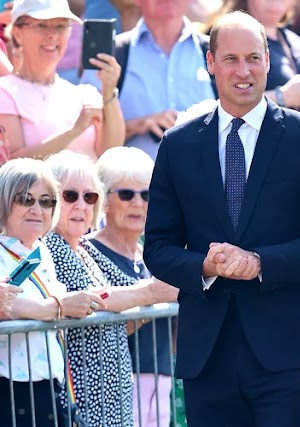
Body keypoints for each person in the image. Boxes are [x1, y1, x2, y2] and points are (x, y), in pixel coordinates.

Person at [143, 10, 300, 427]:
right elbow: (158, 247)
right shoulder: (178, 145)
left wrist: (259, 263)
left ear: (268, 60)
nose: (243, 71)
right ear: (210, 63)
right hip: (207, 356)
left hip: (287, 356)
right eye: (230, 59)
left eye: (253, 58)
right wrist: (204, 265)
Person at [43, 151, 177, 426]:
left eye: (89, 197)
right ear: (50, 200)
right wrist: (152, 293)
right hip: (84, 389)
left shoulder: (80, 249)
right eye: (71, 196)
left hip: (112, 387)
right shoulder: (52, 245)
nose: (82, 205)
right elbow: (89, 300)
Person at [0, 158, 106, 427]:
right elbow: (6, 305)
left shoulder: (42, 252)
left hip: (51, 379)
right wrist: (56, 307)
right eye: (26, 199)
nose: (37, 209)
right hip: (10, 385)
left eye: (46, 201)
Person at [91, 146, 178, 427]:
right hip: (114, 383)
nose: (138, 203)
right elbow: (94, 328)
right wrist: (151, 296)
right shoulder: (88, 251)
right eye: (126, 194)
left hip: (162, 377)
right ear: (104, 199)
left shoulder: (155, 255)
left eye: (147, 195)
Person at [81, 0, 215, 160]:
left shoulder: (218, 54)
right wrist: (139, 126)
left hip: (204, 181)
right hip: (133, 182)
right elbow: (85, 138)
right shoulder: (109, 56)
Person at [0, 0, 125, 160]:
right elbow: (12, 166)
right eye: (41, 26)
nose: (52, 34)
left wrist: (109, 89)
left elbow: (111, 154)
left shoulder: (85, 94)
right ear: (17, 32)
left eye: (60, 26)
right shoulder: (4, 91)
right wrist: (74, 131)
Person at [210, 0, 300, 127]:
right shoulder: (224, 38)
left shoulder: (295, 42)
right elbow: (212, 110)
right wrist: (282, 97)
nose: (275, 2)